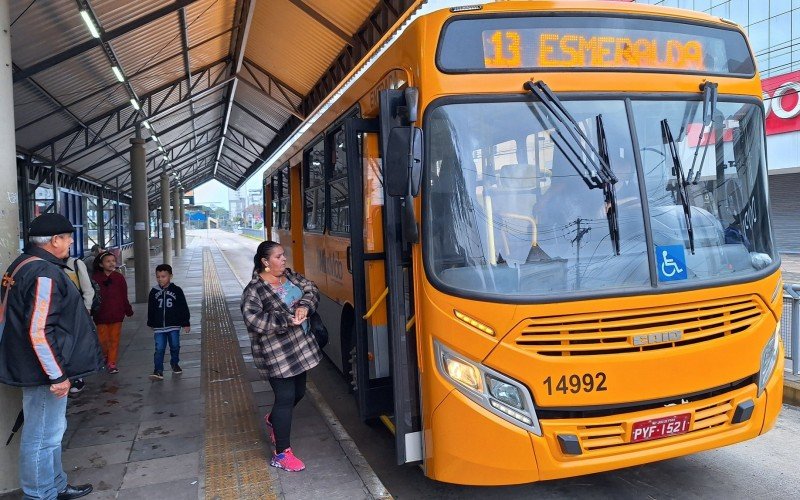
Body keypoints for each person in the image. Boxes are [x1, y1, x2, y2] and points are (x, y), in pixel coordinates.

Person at [0, 213, 103, 500]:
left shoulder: (22, 264)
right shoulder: (43, 273)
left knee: (52, 431)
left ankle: (55, 485)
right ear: (55, 240)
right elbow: (38, 330)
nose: (71, 242)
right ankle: (38, 494)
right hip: (44, 370)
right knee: (42, 437)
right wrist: (56, 375)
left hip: (33, 364)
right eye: (68, 237)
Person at [240, 241, 322, 472]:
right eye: (278, 256)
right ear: (265, 262)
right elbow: (253, 320)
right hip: (277, 354)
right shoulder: (254, 291)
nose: (284, 259)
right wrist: (286, 319)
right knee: (285, 398)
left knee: (299, 392)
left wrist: (305, 306)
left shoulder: (290, 276)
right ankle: (281, 454)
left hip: (299, 348)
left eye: (283, 255)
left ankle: (274, 419)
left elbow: (311, 288)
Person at [91, 251, 133, 374]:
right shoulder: (95, 279)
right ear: (101, 264)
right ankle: (105, 356)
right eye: (108, 261)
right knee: (102, 340)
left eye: (113, 261)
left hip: (117, 314)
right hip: (101, 315)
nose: (111, 263)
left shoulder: (119, 278)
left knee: (114, 339)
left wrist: (128, 309)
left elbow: (124, 296)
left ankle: (112, 362)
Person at [146, 264, 190, 380]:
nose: (160, 279)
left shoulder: (177, 291)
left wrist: (185, 322)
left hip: (174, 325)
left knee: (175, 346)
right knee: (159, 348)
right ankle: (158, 370)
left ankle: (174, 363)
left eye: (163, 276)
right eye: (158, 277)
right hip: (159, 327)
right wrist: (151, 322)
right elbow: (151, 308)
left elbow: (183, 307)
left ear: (170, 276)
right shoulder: (153, 292)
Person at [63, 256, 95, 395]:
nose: (69, 243)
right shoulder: (46, 263)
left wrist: (87, 308)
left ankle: (77, 377)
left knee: (76, 344)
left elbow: (87, 289)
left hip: (76, 310)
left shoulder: (76, 263)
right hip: (58, 311)